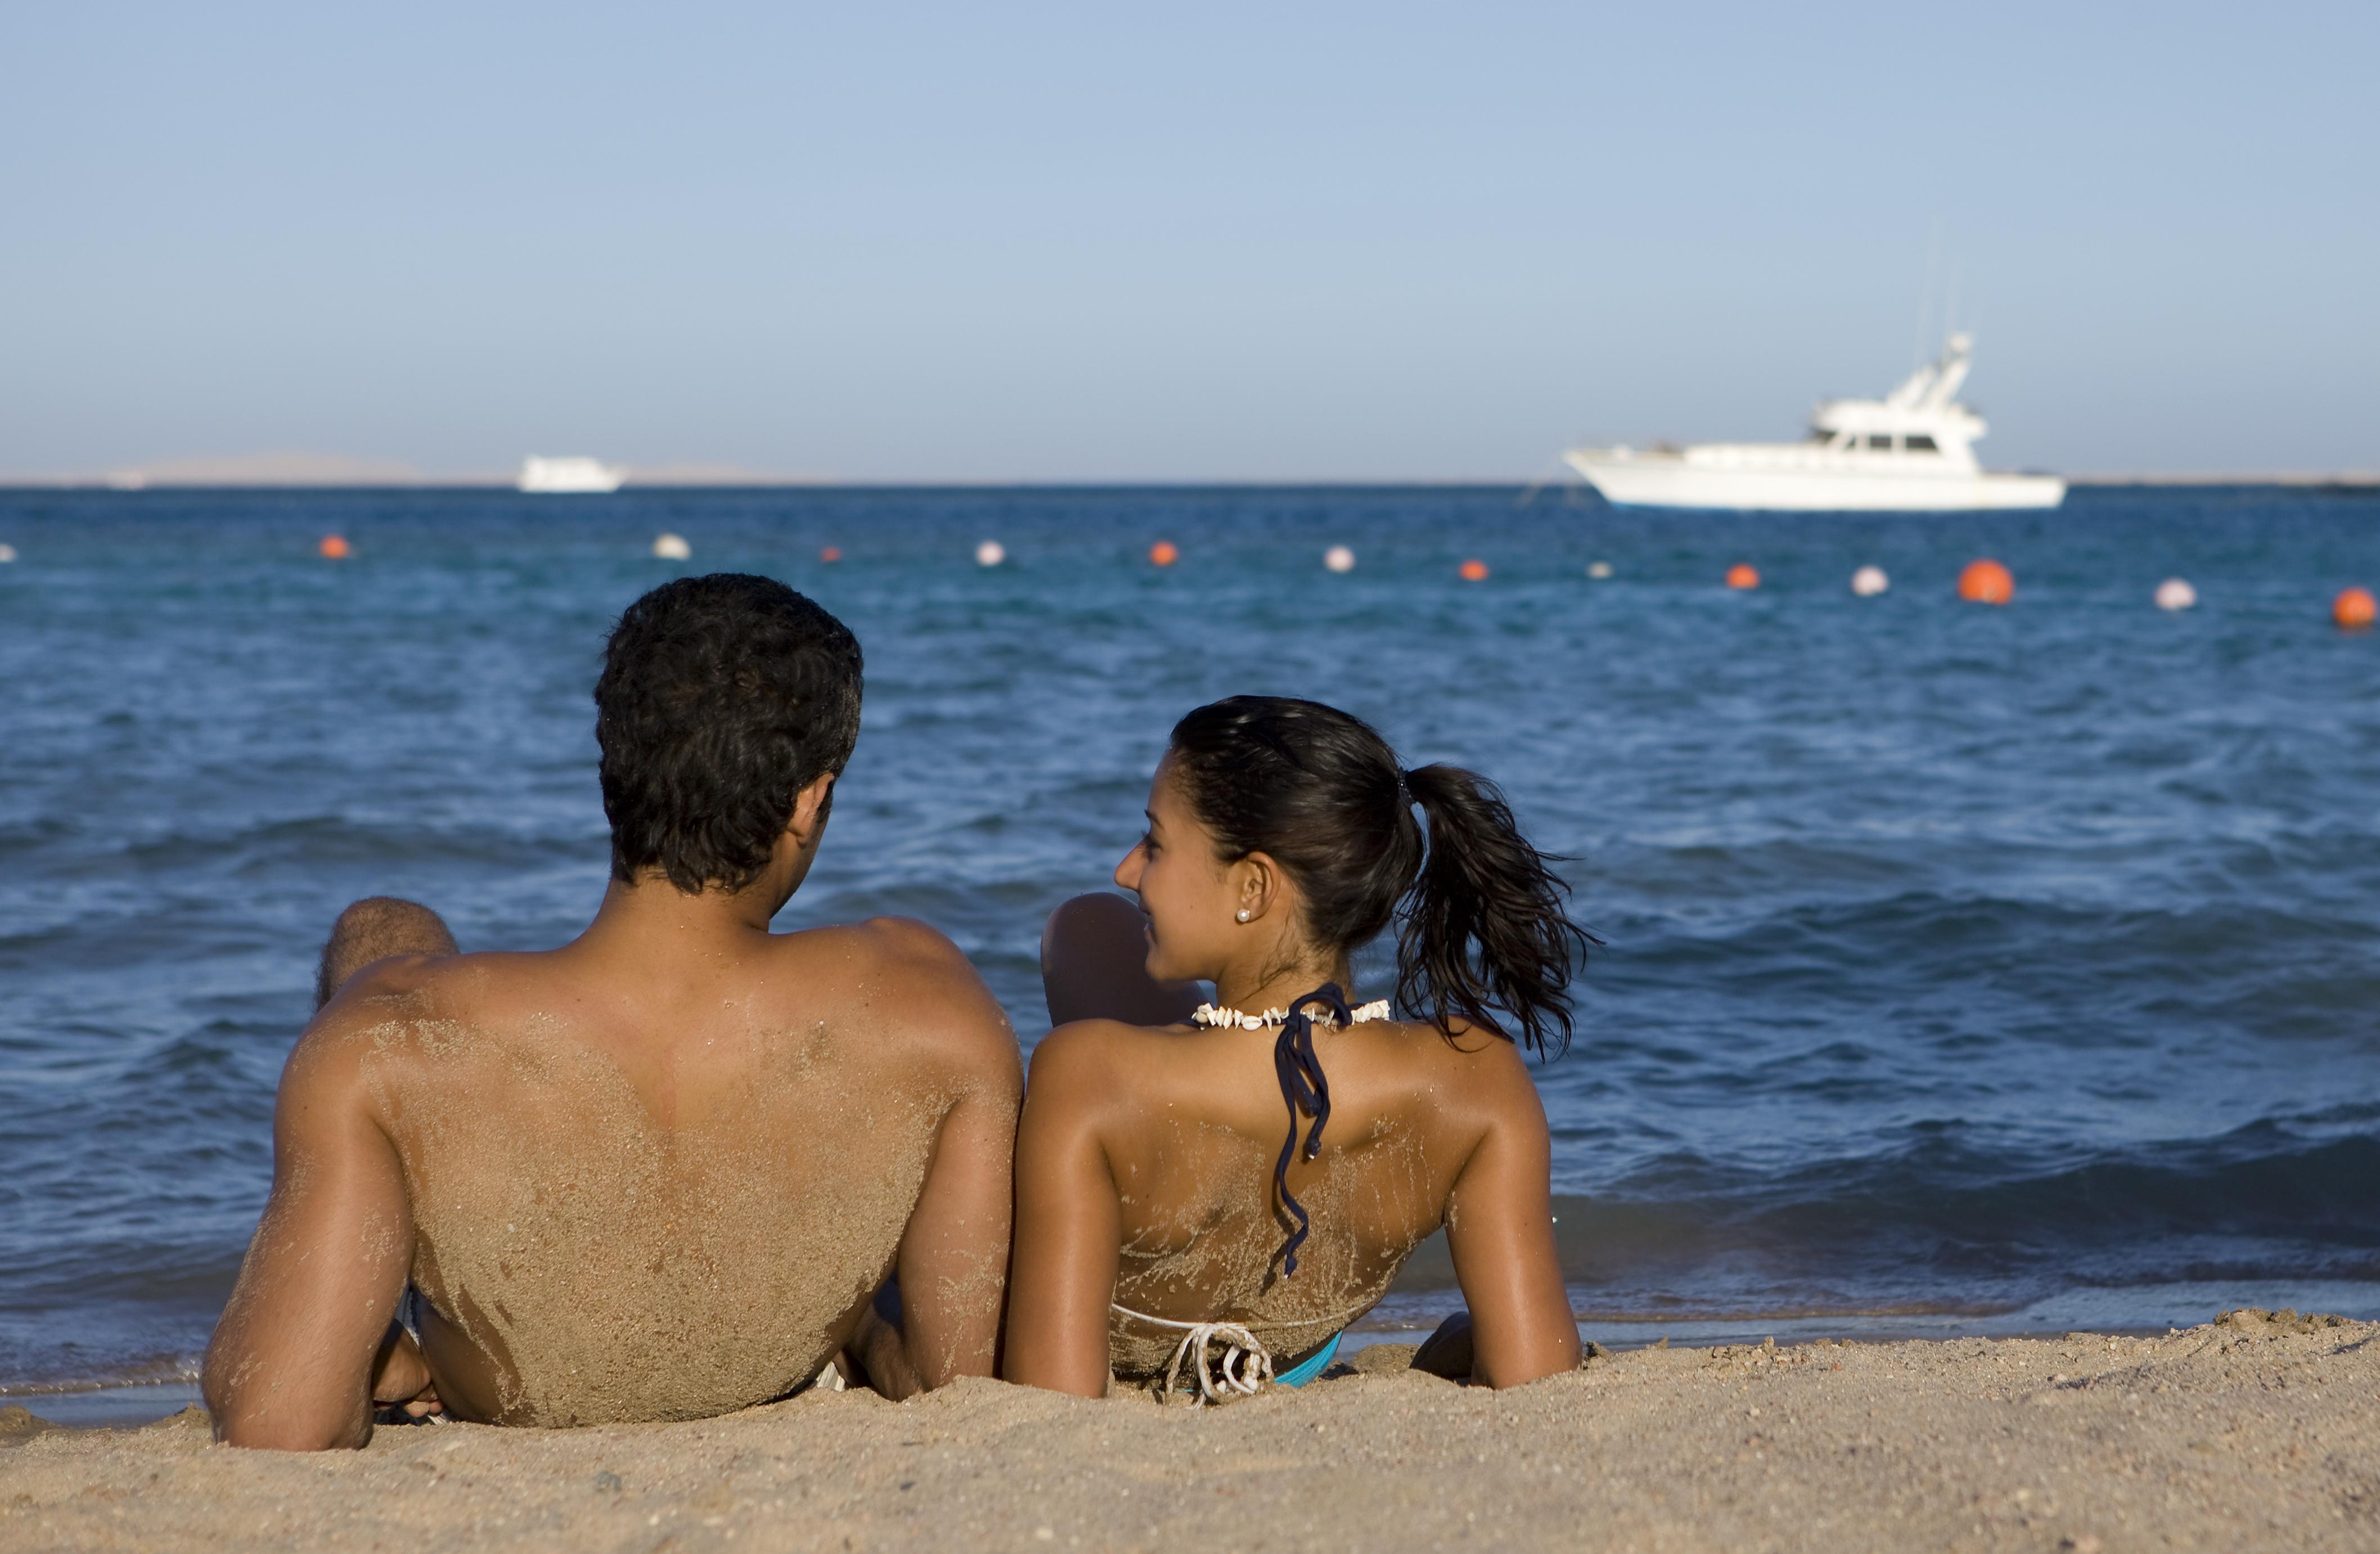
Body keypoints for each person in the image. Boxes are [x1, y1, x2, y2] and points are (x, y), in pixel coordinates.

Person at [204, 574, 1023, 1449]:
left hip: (501, 1383)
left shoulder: (391, 1039)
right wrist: (854, 1318)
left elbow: (280, 1421)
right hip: (771, 1355)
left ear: (615, 765)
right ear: (807, 802)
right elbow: (956, 1386)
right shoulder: (937, 1007)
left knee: (382, 929)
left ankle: (383, 1345)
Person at [1004, 695, 1591, 1402]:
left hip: (1136, 1329)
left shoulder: (1085, 1074)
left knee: (1081, 933)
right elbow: (1537, 1376)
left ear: (1253, 886)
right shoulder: (1474, 1076)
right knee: (1086, 927)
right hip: (1297, 1354)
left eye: (1155, 843)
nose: (1129, 869)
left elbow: (1052, 1400)